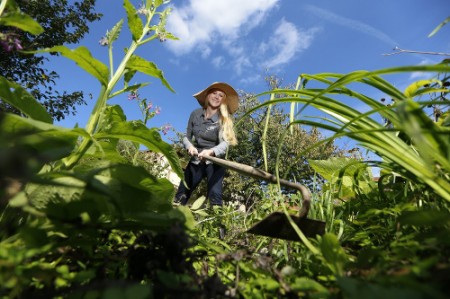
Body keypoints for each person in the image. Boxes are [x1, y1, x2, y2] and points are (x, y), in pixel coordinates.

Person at [174, 82, 239, 208]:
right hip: (196, 160)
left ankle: (218, 226)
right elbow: (186, 136)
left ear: (223, 101)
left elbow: (225, 143)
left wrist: (211, 152)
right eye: (214, 93)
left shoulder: (223, 119)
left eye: (221, 95)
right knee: (182, 193)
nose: (216, 97)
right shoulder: (195, 114)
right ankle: (172, 223)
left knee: (215, 195)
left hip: (215, 161)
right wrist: (190, 147)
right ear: (207, 95)